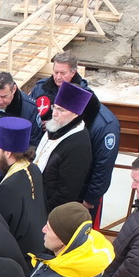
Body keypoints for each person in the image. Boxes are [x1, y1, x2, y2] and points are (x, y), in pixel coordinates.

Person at [0, 117, 47, 261]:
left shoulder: (7, 188)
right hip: (40, 249)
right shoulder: (34, 169)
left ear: (8, 153)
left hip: (20, 258)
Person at [34, 81, 93, 212]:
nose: (54, 113)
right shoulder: (57, 126)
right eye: (54, 107)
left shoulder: (78, 146)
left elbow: (66, 192)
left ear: (76, 113)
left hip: (48, 209)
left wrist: (40, 212)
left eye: (61, 110)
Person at [29, 51, 90, 147]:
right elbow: (30, 111)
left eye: (63, 73)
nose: (58, 77)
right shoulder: (40, 88)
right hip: (38, 140)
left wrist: (53, 123)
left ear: (73, 72)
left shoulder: (83, 95)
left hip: (66, 143)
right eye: (56, 72)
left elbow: (83, 122)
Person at [80, 90, 121, 224]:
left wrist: (91, 198)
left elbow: (104, 165)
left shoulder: (106, 126)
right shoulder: (82, 112)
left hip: (85, 191)